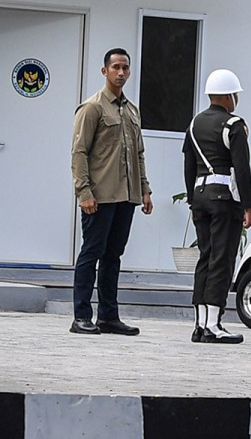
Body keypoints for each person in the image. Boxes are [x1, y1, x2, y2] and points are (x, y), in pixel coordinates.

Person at [70, 48, 153, 336]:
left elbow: (138, 153)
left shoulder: (132, 110)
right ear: (104, 71)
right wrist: (84, 192)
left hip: (126, 197)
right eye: (115, 67)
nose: (121, 72)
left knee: (113, 256)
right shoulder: (92, 107)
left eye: (125, 68)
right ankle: (81, 316)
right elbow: (79, 152)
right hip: (99, 196)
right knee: (91, 253)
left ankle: (108, 316)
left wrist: (144, 189)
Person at [183, 69, 251, 344]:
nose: (236, 99)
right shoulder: (234, 124)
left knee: (205, 257)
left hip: (200, 195)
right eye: (235, 94)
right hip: (225, 198)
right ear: (227, 96)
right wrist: (248, 205)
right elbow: (242, 168)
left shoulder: (194, 124)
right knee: (222, 260)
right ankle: (214, 324)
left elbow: (189, 165)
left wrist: (192, 199)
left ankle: (200, 324)